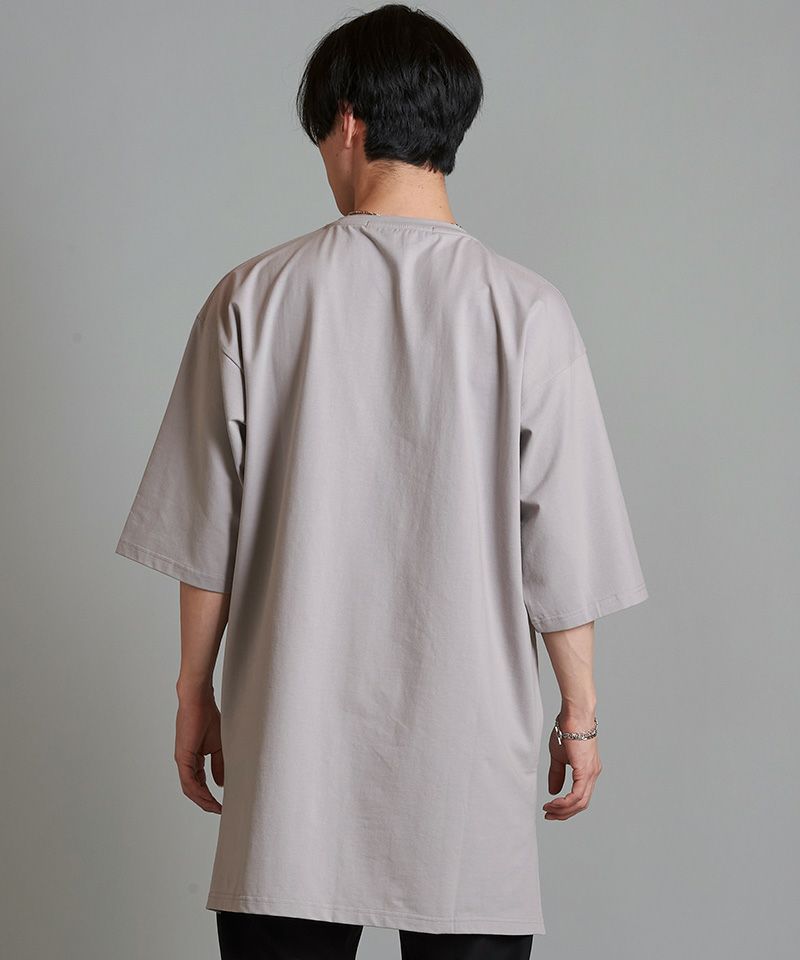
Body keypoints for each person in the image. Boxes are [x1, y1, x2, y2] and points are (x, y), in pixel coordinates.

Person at [114, 4, 649, 959]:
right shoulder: (528, 311)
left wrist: (195, 694)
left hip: (290, 739)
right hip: (466, 749)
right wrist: (581, 716)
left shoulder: (253, 298)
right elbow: (564, 548)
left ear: (348, 121)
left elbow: (204, 536)